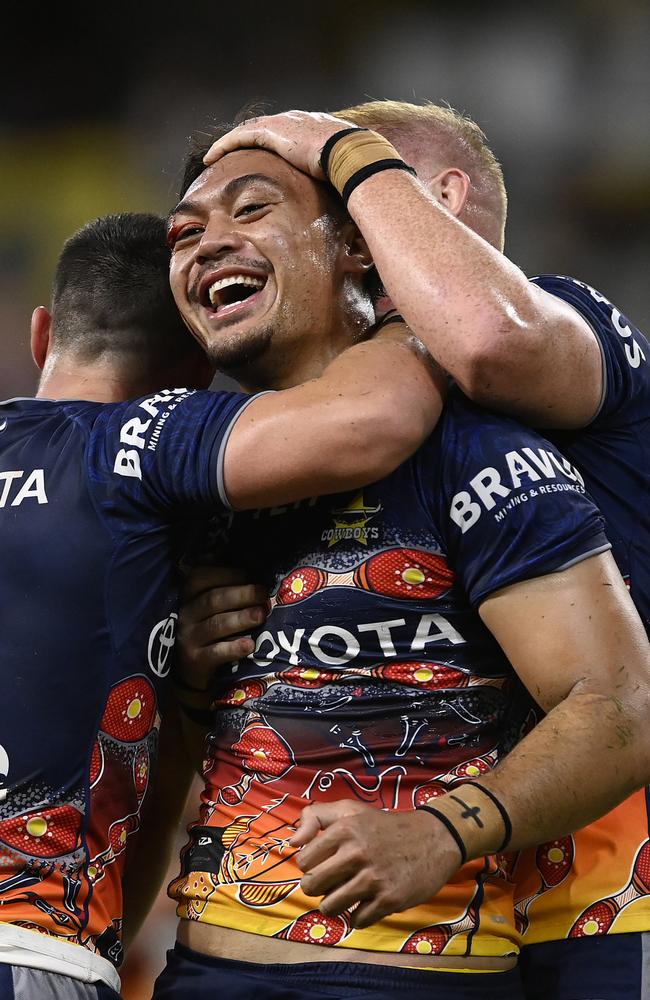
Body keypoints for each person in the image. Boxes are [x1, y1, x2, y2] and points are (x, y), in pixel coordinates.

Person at [147, 130, 650, 1000]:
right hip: (200, 972)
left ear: (356, 248)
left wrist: (443, 832)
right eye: (183, 233)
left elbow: (623, 704)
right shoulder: (205, 472)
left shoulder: (480, 441)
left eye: (253, 209)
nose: (208, 241)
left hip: (417, 975)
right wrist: (185, 675)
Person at [0, 209, 443, 1000]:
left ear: (42, 335)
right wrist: (407, 302)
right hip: (27, 942)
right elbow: (379, 420)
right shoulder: (139, 444)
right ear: (199, 376)